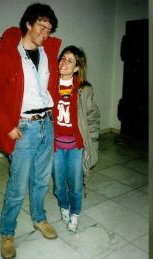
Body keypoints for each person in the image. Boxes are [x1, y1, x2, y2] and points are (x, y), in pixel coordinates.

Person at [0, 3, 61, 259]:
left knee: (40, 180)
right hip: (23, 128)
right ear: (28, 23)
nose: (45, 33)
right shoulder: (6, 53)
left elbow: (55, 88)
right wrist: (7, 127)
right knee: (17, 186)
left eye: (49, 29)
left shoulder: (49, 52)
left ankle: (39, 218)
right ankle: (7, 233)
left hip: (47, 123)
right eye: (41, 26)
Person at [52, 46, 100, 232]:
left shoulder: (84, 89)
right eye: (62, 58)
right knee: (59, 184)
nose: (64, 62)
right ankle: (64, 206)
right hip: (56, 146)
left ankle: (75, 214)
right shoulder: (50, 85)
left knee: (76, 183)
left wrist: (92, 142)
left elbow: (93, 118)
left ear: (77, 67)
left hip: (75, 147)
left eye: (70, 60)